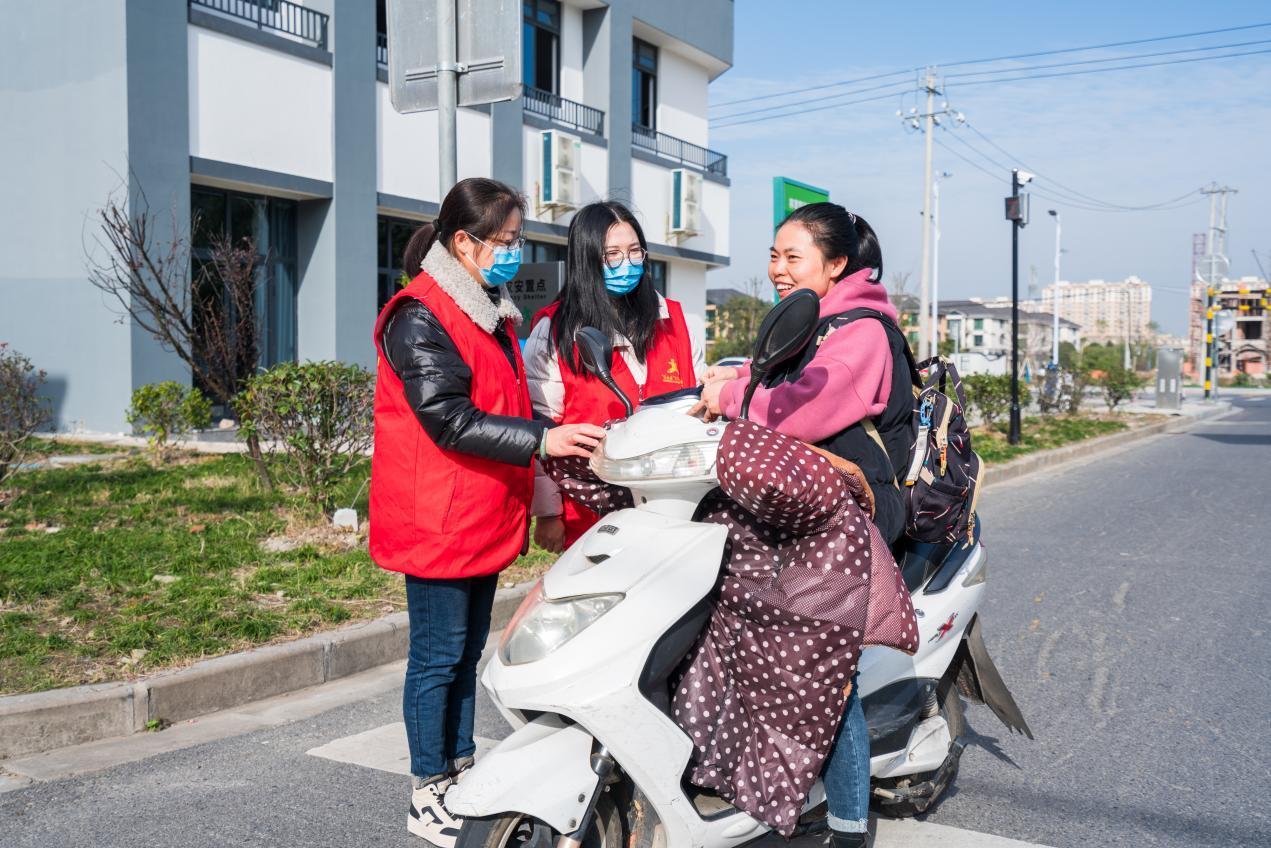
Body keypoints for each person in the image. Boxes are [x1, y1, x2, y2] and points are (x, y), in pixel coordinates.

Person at [368, 177, 606, 847]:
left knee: (466, 651)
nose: (513, 253)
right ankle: (427, 789)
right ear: (463, 242)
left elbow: (503, 403)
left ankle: (460, 766)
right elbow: (447, 418)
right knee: (437, 656)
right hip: (436, 515)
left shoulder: (487, 310)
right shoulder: (419, 313)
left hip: (474, 511)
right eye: (503, 241)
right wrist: (542, 438)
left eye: (518, 240)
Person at [696, 203, 918, 848]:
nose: (778, 270)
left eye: (793, 258)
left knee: (821, 667)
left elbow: (804, 408)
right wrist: (731, 377)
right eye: (773, 255)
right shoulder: (818, 319)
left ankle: (849, 825)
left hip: (858, 511)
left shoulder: (864, 328)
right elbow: (779, 373)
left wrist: (732, 397)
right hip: (809, 505)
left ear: (837, 264)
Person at [524, 201, 705, 551]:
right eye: (613, 255)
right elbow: (539, 428)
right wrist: (549, 513)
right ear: (587, 260)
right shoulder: (555, 331)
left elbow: (700, 409)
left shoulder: (676, 321)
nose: (628, 263)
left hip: (675, 510)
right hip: (591, 517)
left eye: (635, 252)